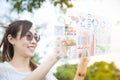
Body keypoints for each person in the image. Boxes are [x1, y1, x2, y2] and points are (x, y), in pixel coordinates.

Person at [0, 20, 89, 80]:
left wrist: (83, 63)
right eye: (28, 36)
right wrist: (54, 57)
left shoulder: (45, 73)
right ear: (11, 39)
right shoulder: (3, 70)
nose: (34, 41)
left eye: (36, 37)